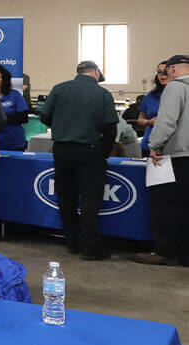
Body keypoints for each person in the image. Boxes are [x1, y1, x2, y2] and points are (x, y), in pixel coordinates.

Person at [39, 61, 118, 260]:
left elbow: (44, 115)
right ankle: (90, 246)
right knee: (90, 198)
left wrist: (60, 124)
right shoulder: (103, 94)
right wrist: (104, 152)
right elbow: (110, 128)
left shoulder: (59, 89)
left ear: (78, 72)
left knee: (66, 196)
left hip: (62, 150)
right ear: (97, 73)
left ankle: (71, 242)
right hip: (89, 151)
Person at [138, 55, 189, 266]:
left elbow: (167, 120)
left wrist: (155, 145)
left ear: (173, 70)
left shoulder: (176, 87)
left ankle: (165, 251)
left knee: (166, 205)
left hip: (176, 156)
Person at [0, 65, 30, 151]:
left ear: (4, 80)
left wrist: (1, 118)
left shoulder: (15, 95)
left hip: (14, 144)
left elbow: (24, 117)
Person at [138, 64, 170, 154]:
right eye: (159, 72)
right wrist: (149, 122)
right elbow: (140, 119)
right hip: (149, 144)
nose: (162, 75)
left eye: (165, 72)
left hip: (170, 146)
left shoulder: (180, 94)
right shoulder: (151, 95)